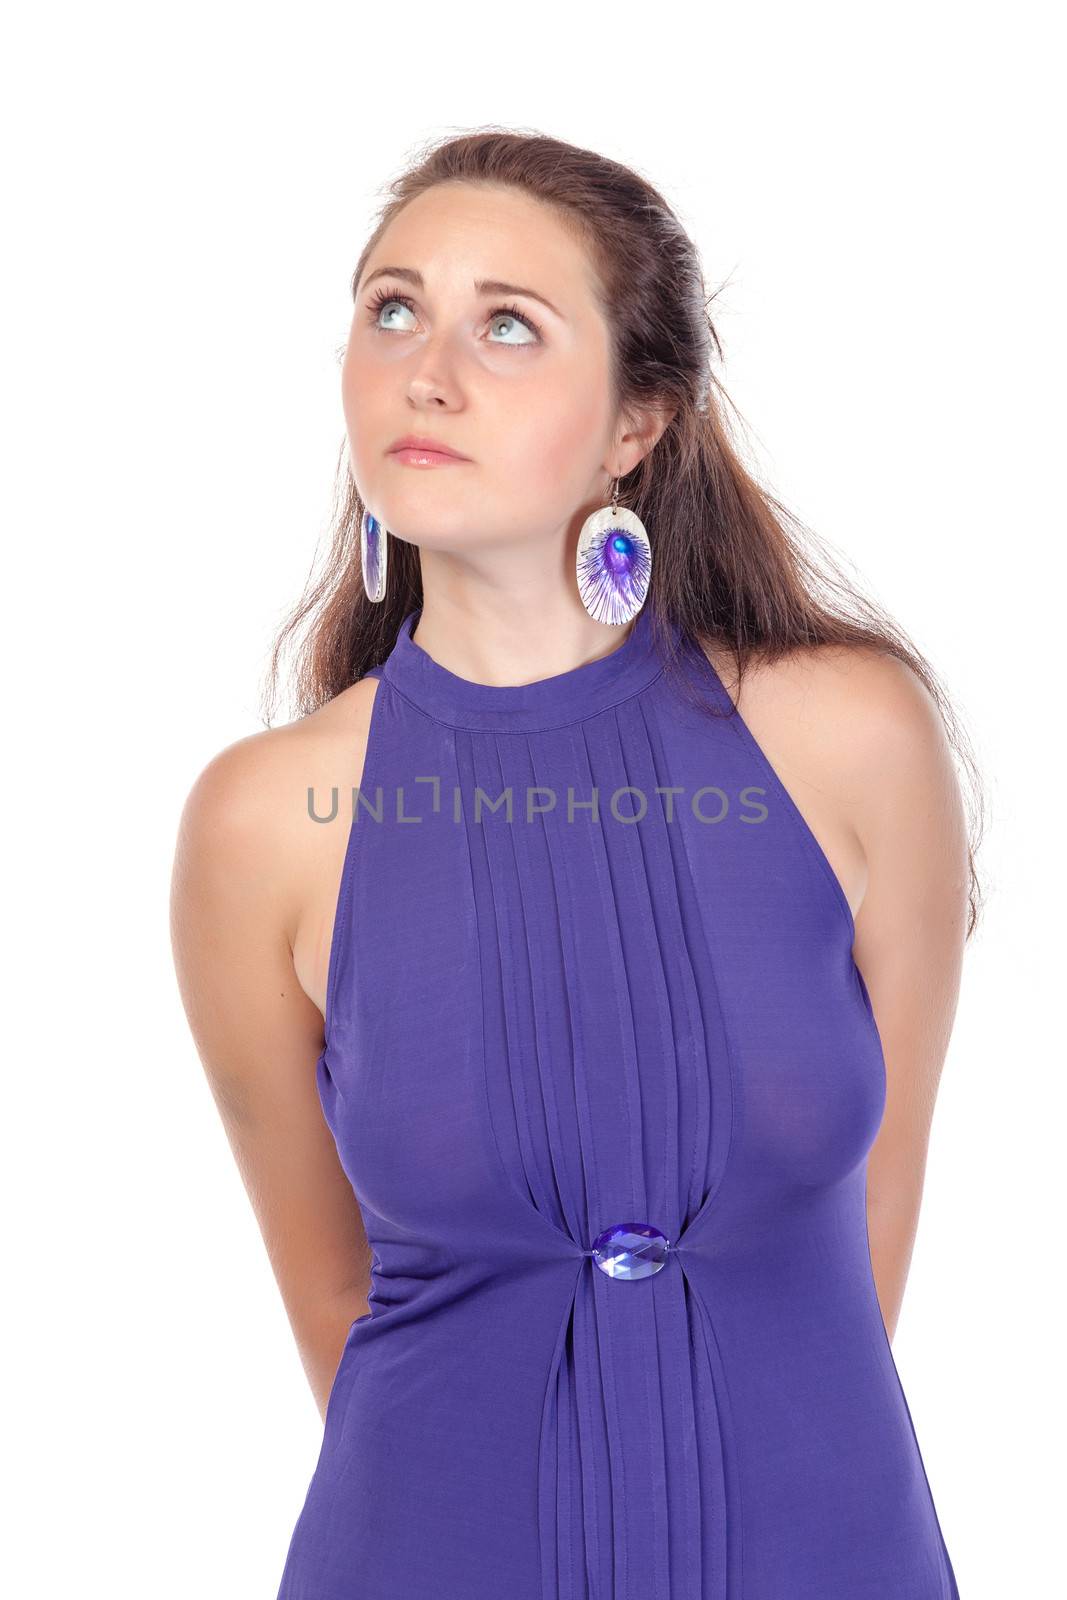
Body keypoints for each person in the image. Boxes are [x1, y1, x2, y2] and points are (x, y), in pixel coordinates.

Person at [170, 129, 980, 1599]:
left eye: (510, 326)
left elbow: (876, 1216)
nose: (430, 370)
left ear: (635, 424)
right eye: (394, 308)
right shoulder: (261, 823)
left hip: (826, 1545)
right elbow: (339, 1312)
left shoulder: (849, 739)